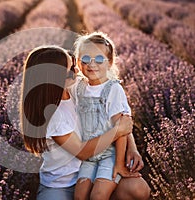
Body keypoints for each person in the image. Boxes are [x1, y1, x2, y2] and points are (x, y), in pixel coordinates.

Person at [19, 45, 136, 200]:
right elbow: (81, 152)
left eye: (74, 64)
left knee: (137, 189)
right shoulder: (52, 114)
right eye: (70, 69)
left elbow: (117, 114)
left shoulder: (74, 87)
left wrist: (132, 148)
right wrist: (117, 131)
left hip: (94, 169)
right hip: (62, 184)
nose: (77, 71)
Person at [69, 31, 150, 200]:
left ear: (110, 62)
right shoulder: (79, 87)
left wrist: (120, 163)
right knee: (79, 196)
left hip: (110, 156)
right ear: (78, 62)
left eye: (99, 59)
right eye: (85, 59)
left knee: (98, 196)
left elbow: (121, 129)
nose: (92, 64)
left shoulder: (113, 89)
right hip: (89, 155)